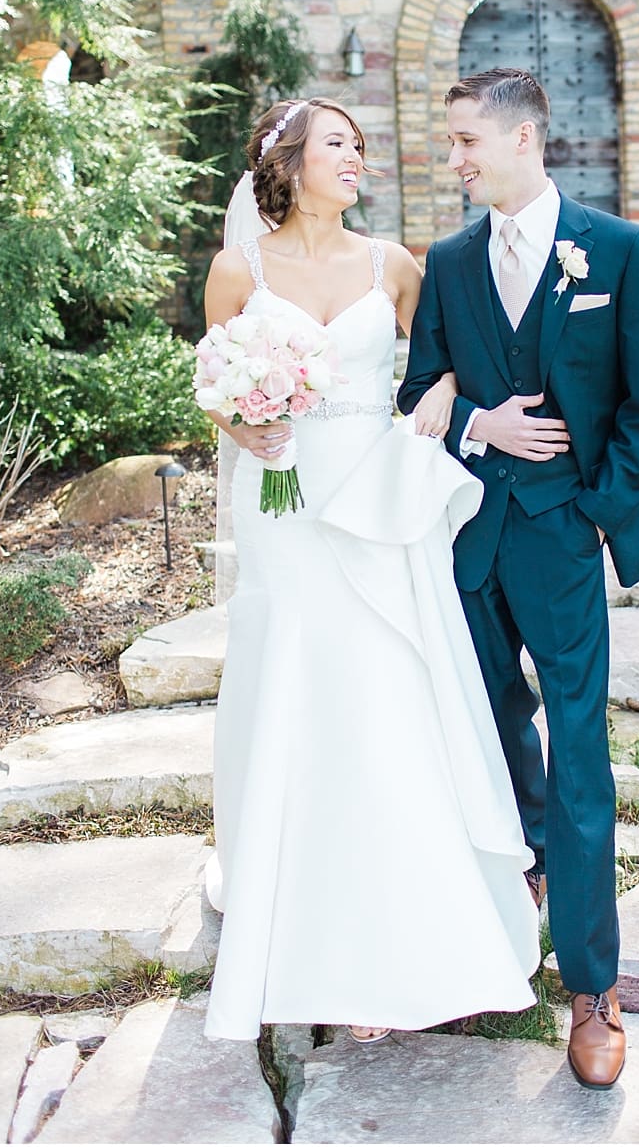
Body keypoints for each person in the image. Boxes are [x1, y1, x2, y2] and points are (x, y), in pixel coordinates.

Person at [199, 97, 540, 1043]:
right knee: (294, 691)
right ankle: (295, 916)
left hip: (375, 500)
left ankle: (399, 938)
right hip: (282, 507)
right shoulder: (240, 269)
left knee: (386, 694)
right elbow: (213, 388)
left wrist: (433, 395)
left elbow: (450, 360)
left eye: (358, 146)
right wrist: (246, 421)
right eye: (337, 145)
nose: (356, 158)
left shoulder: (393, 263)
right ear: (289, 163)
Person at [398, 67, 639, 1089]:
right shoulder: (452, 261)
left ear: (523, 138)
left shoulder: (619, 249)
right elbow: (414, 385)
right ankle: (518, 896)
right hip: (469, 540)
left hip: (560, 537)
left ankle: (594, 985)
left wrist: (598, 506)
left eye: (468, 140)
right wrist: (478, 418)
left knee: (581, 749)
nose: (455, 158)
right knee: (490, 735)